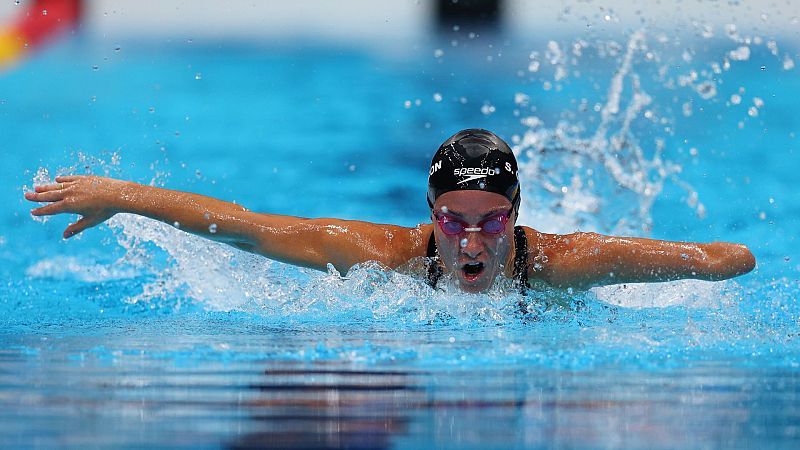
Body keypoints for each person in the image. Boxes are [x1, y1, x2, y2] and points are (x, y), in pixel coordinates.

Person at [24, 129, 755, 294]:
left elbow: (728, 258)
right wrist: (122, 196)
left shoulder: (564, 262)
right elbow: (245, 226)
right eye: (454, 220)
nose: (472, 241)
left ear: (518, 214)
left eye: (493, 221)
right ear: (430, 212)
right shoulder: (387, 255)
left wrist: (720, 263)